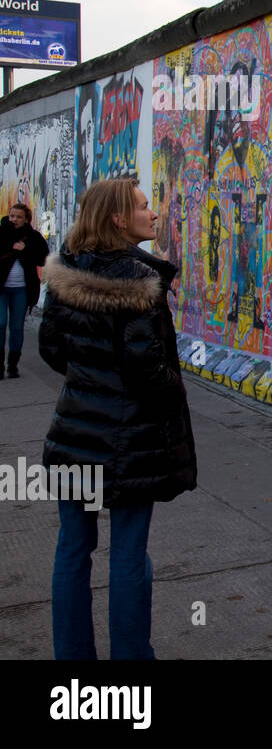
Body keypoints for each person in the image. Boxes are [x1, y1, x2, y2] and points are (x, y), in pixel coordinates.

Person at [40, 178, 197, 659]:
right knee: (128, 554)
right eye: (144, 206)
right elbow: (147, 368)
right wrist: (174, 392)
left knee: (73, 549)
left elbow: (51, 349)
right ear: (118, 219)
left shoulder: (66, 270)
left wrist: (91, 382)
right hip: (131, 442)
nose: (154, 213)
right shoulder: (137, 279)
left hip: (75, 433)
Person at [0, 202, 50, 378]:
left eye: (19, 217)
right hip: (2, 289)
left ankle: (13, 365)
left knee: (16, 327)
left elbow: (42, 259)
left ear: (26, 219)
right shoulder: (2, 233)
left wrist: (25, 249)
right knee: (0, 324)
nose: (14, 219)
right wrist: (10, 246)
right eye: (12, 216)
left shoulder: (33, 237)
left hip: (21, 289)